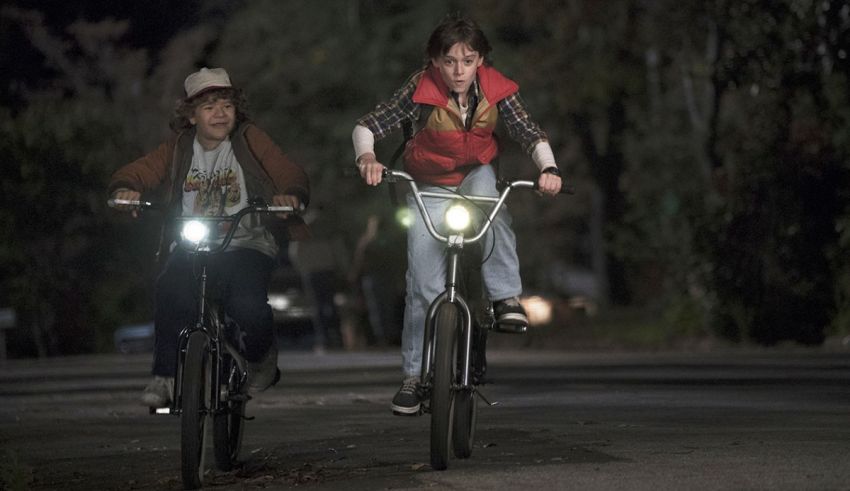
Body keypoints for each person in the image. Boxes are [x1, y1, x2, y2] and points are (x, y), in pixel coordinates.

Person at [352, 15, 563, 415]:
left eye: (468, 61)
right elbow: (368, 125)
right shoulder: (419, 88)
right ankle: (414, 377)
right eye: (449, 61)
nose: (459, 71)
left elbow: (529, 132)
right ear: (435, 61)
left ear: (480, 60)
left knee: (494, 209)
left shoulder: (496, 89)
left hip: (476, 174)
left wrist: (548, 169)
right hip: (428, 183)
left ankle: (505, 298)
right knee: (422, 285)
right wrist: (367, 158)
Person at [109, 67, 310, 407]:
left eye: (227, 105)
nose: (220, 113)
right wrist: (126, 188)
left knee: (247, 305)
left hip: (246, 242)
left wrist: (290, 193)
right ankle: (166, 376)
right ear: (191, 115)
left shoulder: (248, 139)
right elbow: (142, 169)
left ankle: (260, 357)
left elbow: (286, 168)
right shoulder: (179, 147)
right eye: (209, 107)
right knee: (170, 290)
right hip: (193, 244)